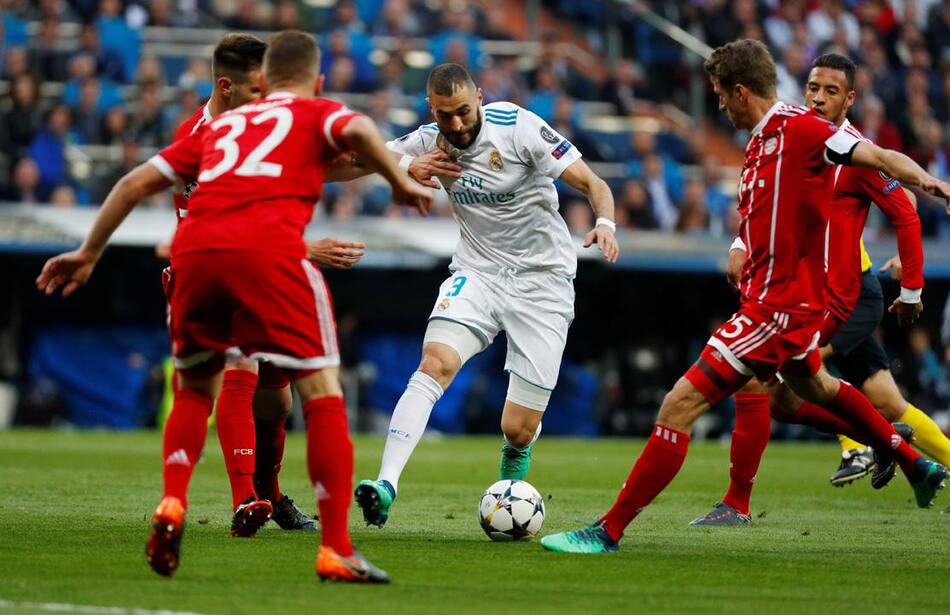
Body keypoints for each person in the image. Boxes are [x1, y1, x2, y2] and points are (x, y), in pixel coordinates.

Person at [37, 29, 432, 583]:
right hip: (268, 257)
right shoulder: (299, 110)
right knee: (320, 391)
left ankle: (174, 501)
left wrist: (87, 252)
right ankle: (332, 545)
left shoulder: (218, 131)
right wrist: (397, 179)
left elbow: (131, 183)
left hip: (197, 262)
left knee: (204, 390)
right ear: (315, 82)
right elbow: (357, 131)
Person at [540, 39, 950, 554]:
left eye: (719, 95)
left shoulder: (805, 129)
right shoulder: (758, 143)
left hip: (779, 309)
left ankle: (608, 531)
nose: (718, 106)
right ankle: (912, 461)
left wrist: (933, 182)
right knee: (816, 387)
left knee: (678, 404)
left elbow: (880, 158)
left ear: (739, 91)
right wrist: (741, 245)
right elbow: (766, 212)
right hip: (782, 305)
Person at [347, 63, 620, 529]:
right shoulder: (429, 139)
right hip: (479, 272)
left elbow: (593, 183)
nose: (456, 125)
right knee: (435, 362)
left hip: (544, 282)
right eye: (444, 115)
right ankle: (386, 484)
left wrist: (605, 223)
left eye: (463, 111)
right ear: (431, 109)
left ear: (479, 96)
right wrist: (404, 164)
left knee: (517, 427)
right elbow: (355, 158)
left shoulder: (519, 127)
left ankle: (514, 460)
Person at [688, 52, 950, 526]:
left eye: (831, 91)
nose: (818, 98)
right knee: (848, 403)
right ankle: (890, 443)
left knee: (756, 379)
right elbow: (767, 200)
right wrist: (739, 241)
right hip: (810, 293)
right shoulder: (792, 137)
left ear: (850, 99)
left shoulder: (851, 152)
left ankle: (740, 502)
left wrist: (911, 289)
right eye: (812, 88)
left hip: (838, 299)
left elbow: (906, 209)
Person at [156, 33, 367, 537]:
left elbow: (324, 163)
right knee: (238, 366)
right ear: (226, 87)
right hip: (218, 272)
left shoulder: (259, 126)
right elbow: (233, 229)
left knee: (277, 402)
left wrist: (401, 164)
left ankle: (269, 494)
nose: (264, 96)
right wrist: (309, 249)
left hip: (268, 266)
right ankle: (244, 498)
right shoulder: (198, 137)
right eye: (256, 88)